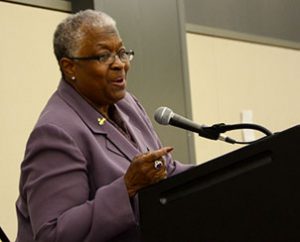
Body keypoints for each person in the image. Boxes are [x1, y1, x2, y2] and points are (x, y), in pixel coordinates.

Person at [15, 9, 192, 242]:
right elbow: (53, 235)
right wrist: (126, 188)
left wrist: (222, 175)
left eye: (121, 52)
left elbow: (164, 171)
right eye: (103, 56)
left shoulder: (126, 104)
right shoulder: (55, 132)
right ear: (70, 67)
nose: (120, 64)